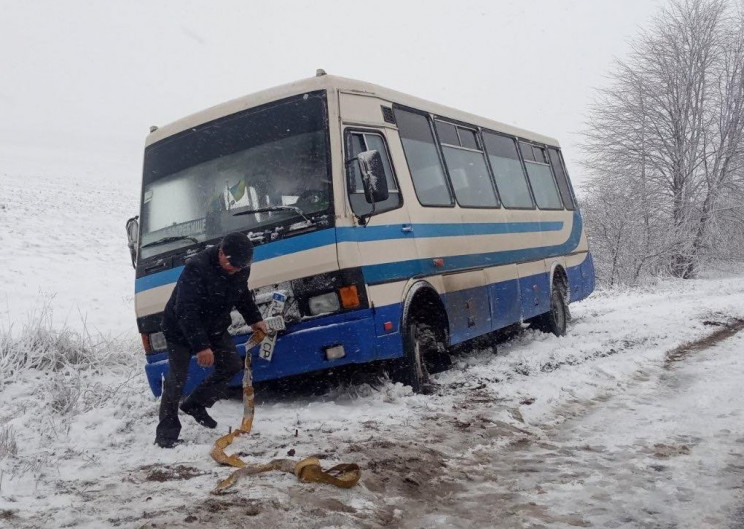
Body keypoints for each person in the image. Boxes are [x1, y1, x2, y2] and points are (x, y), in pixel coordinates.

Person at [155, 231, 268, 448]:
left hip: (213, 326)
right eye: (233, 265)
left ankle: (196, 403)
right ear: (222, 254)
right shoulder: (197, 268)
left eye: (241, 267)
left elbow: (241, 293)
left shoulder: (240, 267)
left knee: (232, 365)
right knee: (176, 380)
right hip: (180, 329)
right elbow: (185, 311)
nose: (237, 270)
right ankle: (166, 435)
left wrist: (255, 319)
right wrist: (201, 347)